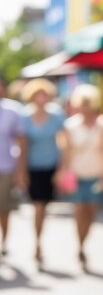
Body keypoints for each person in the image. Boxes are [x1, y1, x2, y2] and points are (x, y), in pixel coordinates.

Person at [58, 84, 103, 270]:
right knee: (79, 210)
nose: (85, 107)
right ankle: (80, 245)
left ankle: (84, 241)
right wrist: (62, 173)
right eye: (82, 103)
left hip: (96, 174)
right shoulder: (70, 125)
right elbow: (66, 152)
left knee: (91, 211)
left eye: (88, 103)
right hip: (77, 174)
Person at [18, 78, 65, 267]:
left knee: (44, 206)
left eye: (44, 94)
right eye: (38, 95)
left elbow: (64, 143)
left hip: (50, 167)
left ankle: (39, 239)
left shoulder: (56, 115)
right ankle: (37, 243)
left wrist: (62, 169)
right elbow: (22, 146)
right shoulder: (25, 117)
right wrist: (21, 172)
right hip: (32, 167)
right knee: (37, 206)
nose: (41, 98)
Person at [0, 75, 25, 258]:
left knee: (4, 208)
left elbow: (21, 141)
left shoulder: (12, 110)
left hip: (6, 167)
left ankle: (4, 241)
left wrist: (20, 171)